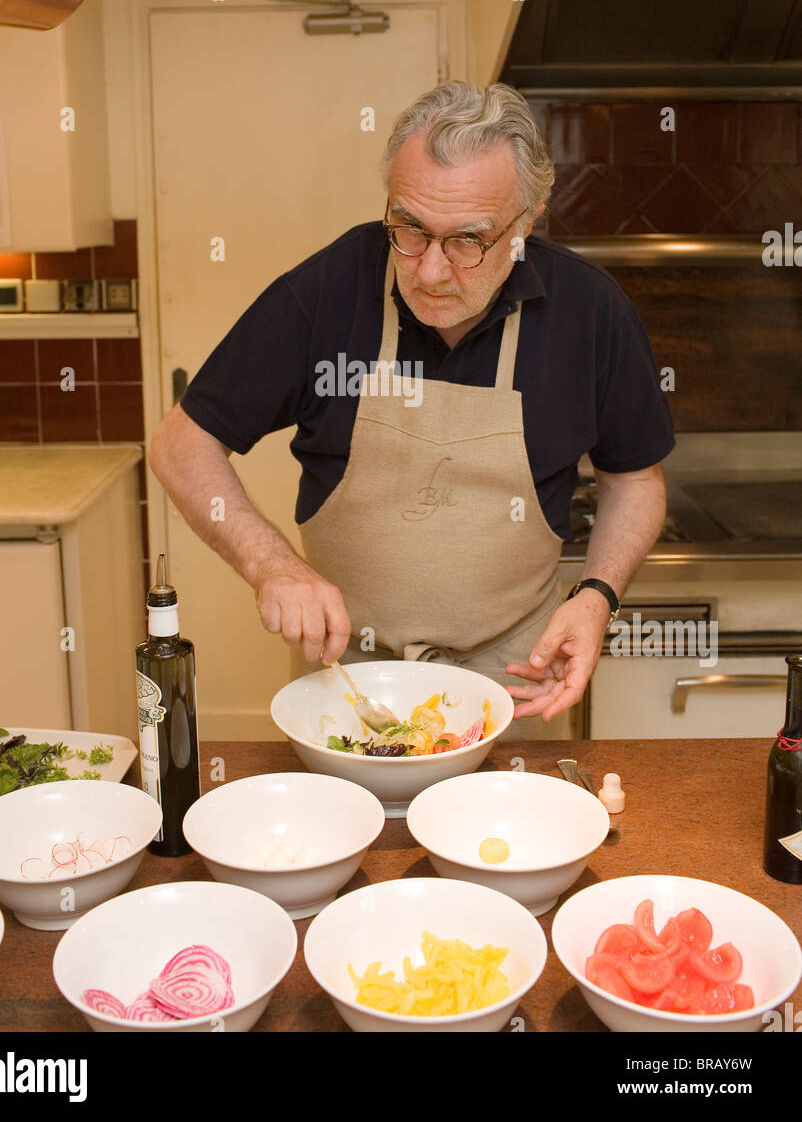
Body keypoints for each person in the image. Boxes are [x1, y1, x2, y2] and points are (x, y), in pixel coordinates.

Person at [150, 81, 674, 726]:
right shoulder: (327, 292)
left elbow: (635, 481)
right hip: (348, 686)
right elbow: (181, 443)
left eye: (468, 241)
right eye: (410, 229)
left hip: (517, 686)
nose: (429, 271)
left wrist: (596, 597)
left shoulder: (590, 312)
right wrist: (273, 566)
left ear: (527, 223)